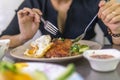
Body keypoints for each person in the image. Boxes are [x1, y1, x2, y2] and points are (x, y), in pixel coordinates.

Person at [0, 0, 120, 48]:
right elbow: (3, 40)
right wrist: (23, 37)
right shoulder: (33, 2)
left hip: (87, 61)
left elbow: (117, 43)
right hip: (48, 67)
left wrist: (116, 30)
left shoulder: (96, 2)